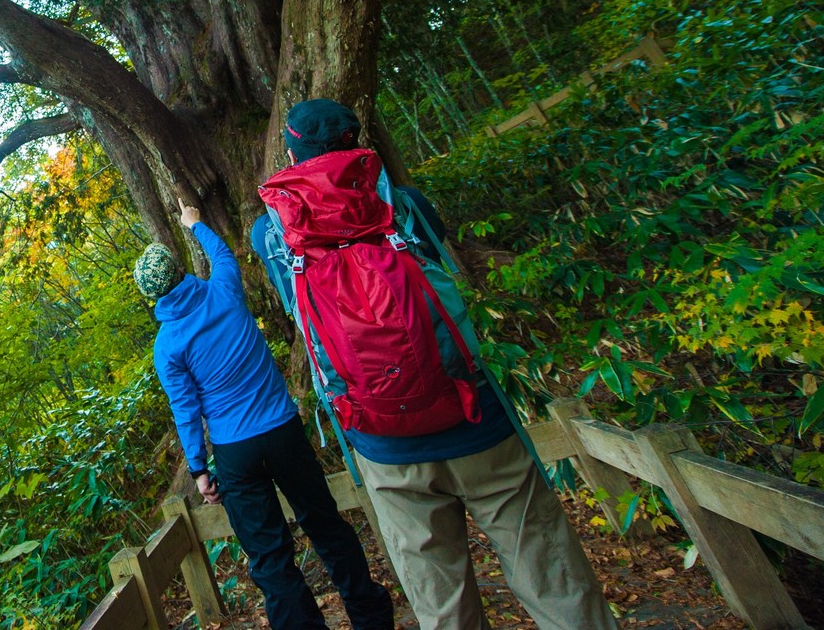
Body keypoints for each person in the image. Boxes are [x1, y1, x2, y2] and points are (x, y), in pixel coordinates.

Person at [251, 98, 618, 630]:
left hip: (382, 441)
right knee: (551, 574)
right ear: (359, 146)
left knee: (441, 605)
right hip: (475, 420)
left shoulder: (272, 237)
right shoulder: (408, 205)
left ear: (291, 150)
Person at [137, 197, 394, 630]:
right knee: (326, 526)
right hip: (282, 431)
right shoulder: (224, 288)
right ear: (180, 272)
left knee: (271, 559)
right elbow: (221, 254)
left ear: (151, 297)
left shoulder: (167, 347)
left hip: (235, 452)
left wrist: (199, 469)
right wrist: (193, 223)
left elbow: (186, 411)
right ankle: (372, 619)